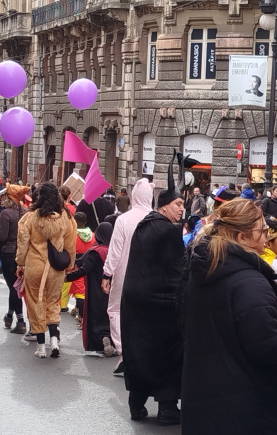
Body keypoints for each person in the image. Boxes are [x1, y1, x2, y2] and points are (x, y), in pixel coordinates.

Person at [182, 199, 277, 433]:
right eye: (261, 231)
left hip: (204, 398)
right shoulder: (250, 282)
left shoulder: (203, 270)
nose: (265, 237)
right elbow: (266, 348)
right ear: (242, 238)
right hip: (246, 406)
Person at [121, 158, 186, 426]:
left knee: (138, 350)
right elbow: (180, 269)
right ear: (164, 205)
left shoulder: (144, 225)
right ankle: (168, 407)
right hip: (161, 304)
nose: (182, 209)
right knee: (167, 354)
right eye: (178, 204)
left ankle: (137, 402)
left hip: (135, 300)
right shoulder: (167, 231)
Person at [15, 182, 76, 359]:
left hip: (34, 265)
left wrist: (20, 263)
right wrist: (69, 265)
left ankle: (41, 347)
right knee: (53, 302)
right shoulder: (66, 217)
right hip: (55, 268)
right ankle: (54, 341)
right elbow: (70, 245)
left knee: (36, 303)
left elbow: (22, 243)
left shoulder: (30, 217)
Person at [102, 178, 153, 376]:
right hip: (149, 274)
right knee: (145, 312)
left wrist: (107, 273)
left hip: (124, 272)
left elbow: (114, 251)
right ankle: (143, 352)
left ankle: (124, 351)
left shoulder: (123, 220)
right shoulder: (157, 219)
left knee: (115, 310)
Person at [65, 222, 115, 355]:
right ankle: (109, 338)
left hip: (95, 292)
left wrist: (65, 278)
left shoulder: (95, 252)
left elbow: (83, 268)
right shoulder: (115, 251)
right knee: (110, 317)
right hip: (112, 292)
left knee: (95, 318)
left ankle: (101, 340)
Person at [0, 185, 29, 334]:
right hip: (23, 253)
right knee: (15, 287)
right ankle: (9, 316)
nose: (1, 197)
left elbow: (2, 236)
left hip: (9, 253)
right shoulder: (25, 212)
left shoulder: (5, 213)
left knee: (13, 288)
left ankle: (21, 321)